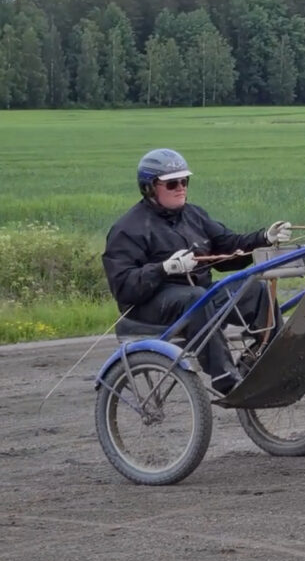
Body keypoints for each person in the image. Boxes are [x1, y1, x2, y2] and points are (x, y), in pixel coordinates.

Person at [102, 148, 293, 396]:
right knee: (196, 298)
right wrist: (164, 269)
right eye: (172, 184)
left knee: (255, 289)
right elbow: (124, 287)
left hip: (198, 297)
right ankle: (226, 379)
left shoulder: (194, 215)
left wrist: (264, 238)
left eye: (184, 181)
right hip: (150, 306)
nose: (181, 188)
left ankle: (267, 360)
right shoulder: (128, 229)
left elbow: (229, 248)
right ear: (149, 188)